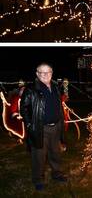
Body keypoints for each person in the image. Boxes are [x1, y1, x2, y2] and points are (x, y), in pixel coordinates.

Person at [21, 63, 67, 191]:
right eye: (42, 72)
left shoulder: (56, 87)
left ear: (52, 73)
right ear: (37, 74)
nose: (45, 75)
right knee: (39, 156)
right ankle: (38, 180)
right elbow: (23, 109)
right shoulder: (31, 89)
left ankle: (57, 174)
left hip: (56, 126)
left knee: (55, 153)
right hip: (41, 129)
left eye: (48, 72)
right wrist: (30, 124)